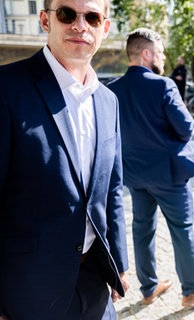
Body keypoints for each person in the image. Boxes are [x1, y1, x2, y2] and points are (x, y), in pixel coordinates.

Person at [0, 0, 130, 318]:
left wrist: (119, 264)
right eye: (67, 14)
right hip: (28, 291)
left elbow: (112, 189)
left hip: (96, 283)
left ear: (105, 27)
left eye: (92, 17)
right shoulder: (6, 88)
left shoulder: (108, 100)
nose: (80, 25)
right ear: (46, 20)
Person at [107, 28, 194, 309]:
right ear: (147, 54)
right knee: (182, 229)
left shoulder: (111, 91)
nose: (163, 57)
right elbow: (186, 129)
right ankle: (191, 292)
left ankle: (149, 288)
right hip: (168, 175)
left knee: (141, 230)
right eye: (161, 52)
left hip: (134, 176)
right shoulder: (163, 85)